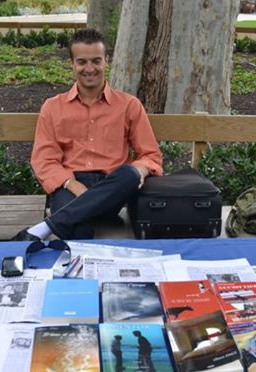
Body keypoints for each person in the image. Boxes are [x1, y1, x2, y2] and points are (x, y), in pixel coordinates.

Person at [12, 29, 162, 241]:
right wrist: (74, 185)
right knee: (77, 230)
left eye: (96, 61)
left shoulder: (129, 105)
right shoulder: (53, 107)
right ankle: (81, 218)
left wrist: (141, 170)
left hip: (112, 186)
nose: (89, 68)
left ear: (106, 61)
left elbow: (151, 155)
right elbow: (44, 160)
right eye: (82, 62)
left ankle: (47, 227)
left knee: (130, 173)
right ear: (72, 63)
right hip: (69, 184)